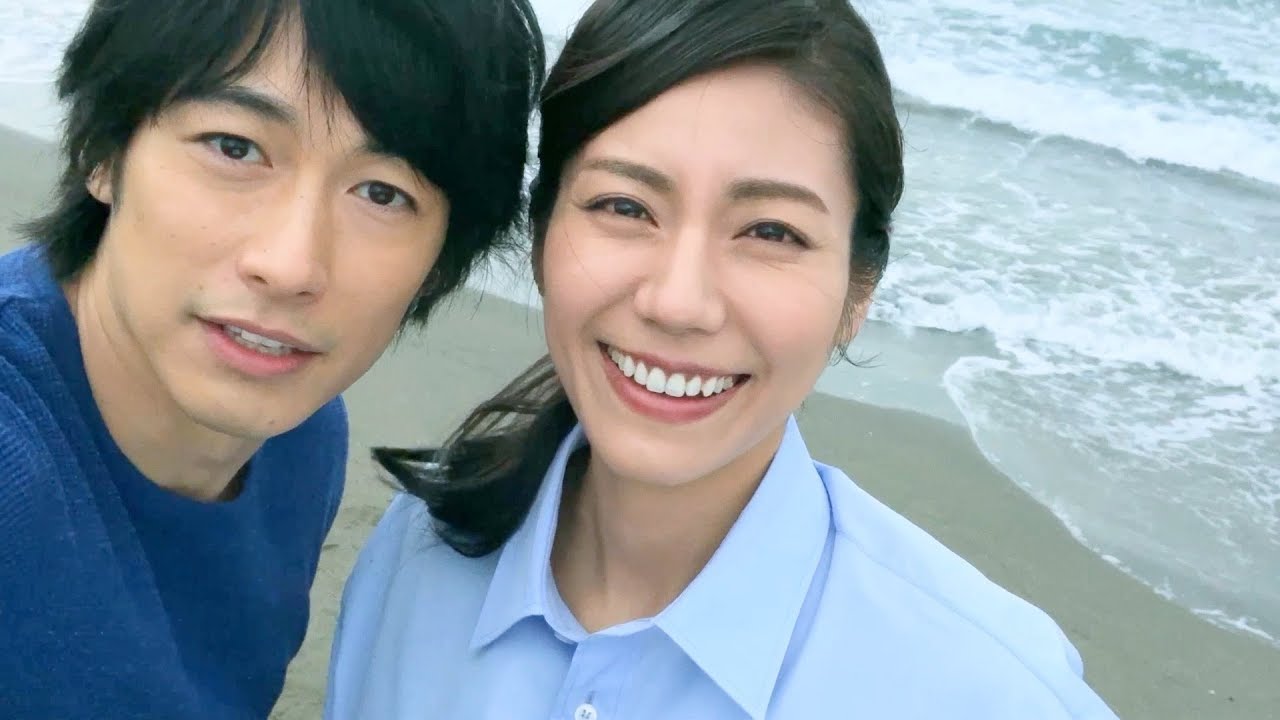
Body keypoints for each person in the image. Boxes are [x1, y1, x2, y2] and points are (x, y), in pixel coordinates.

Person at [325, 0, 1119, 717]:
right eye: (625, 206)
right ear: (540, 236)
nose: (679, 302)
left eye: (771, 231)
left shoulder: (995, 693)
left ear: (859, 291)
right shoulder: (417, 553)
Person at [0, 1, 543, 717]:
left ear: (441, 261)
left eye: (382, 193)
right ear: (102, 150)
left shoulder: (302, 436)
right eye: (234, 147)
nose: (290, 265)